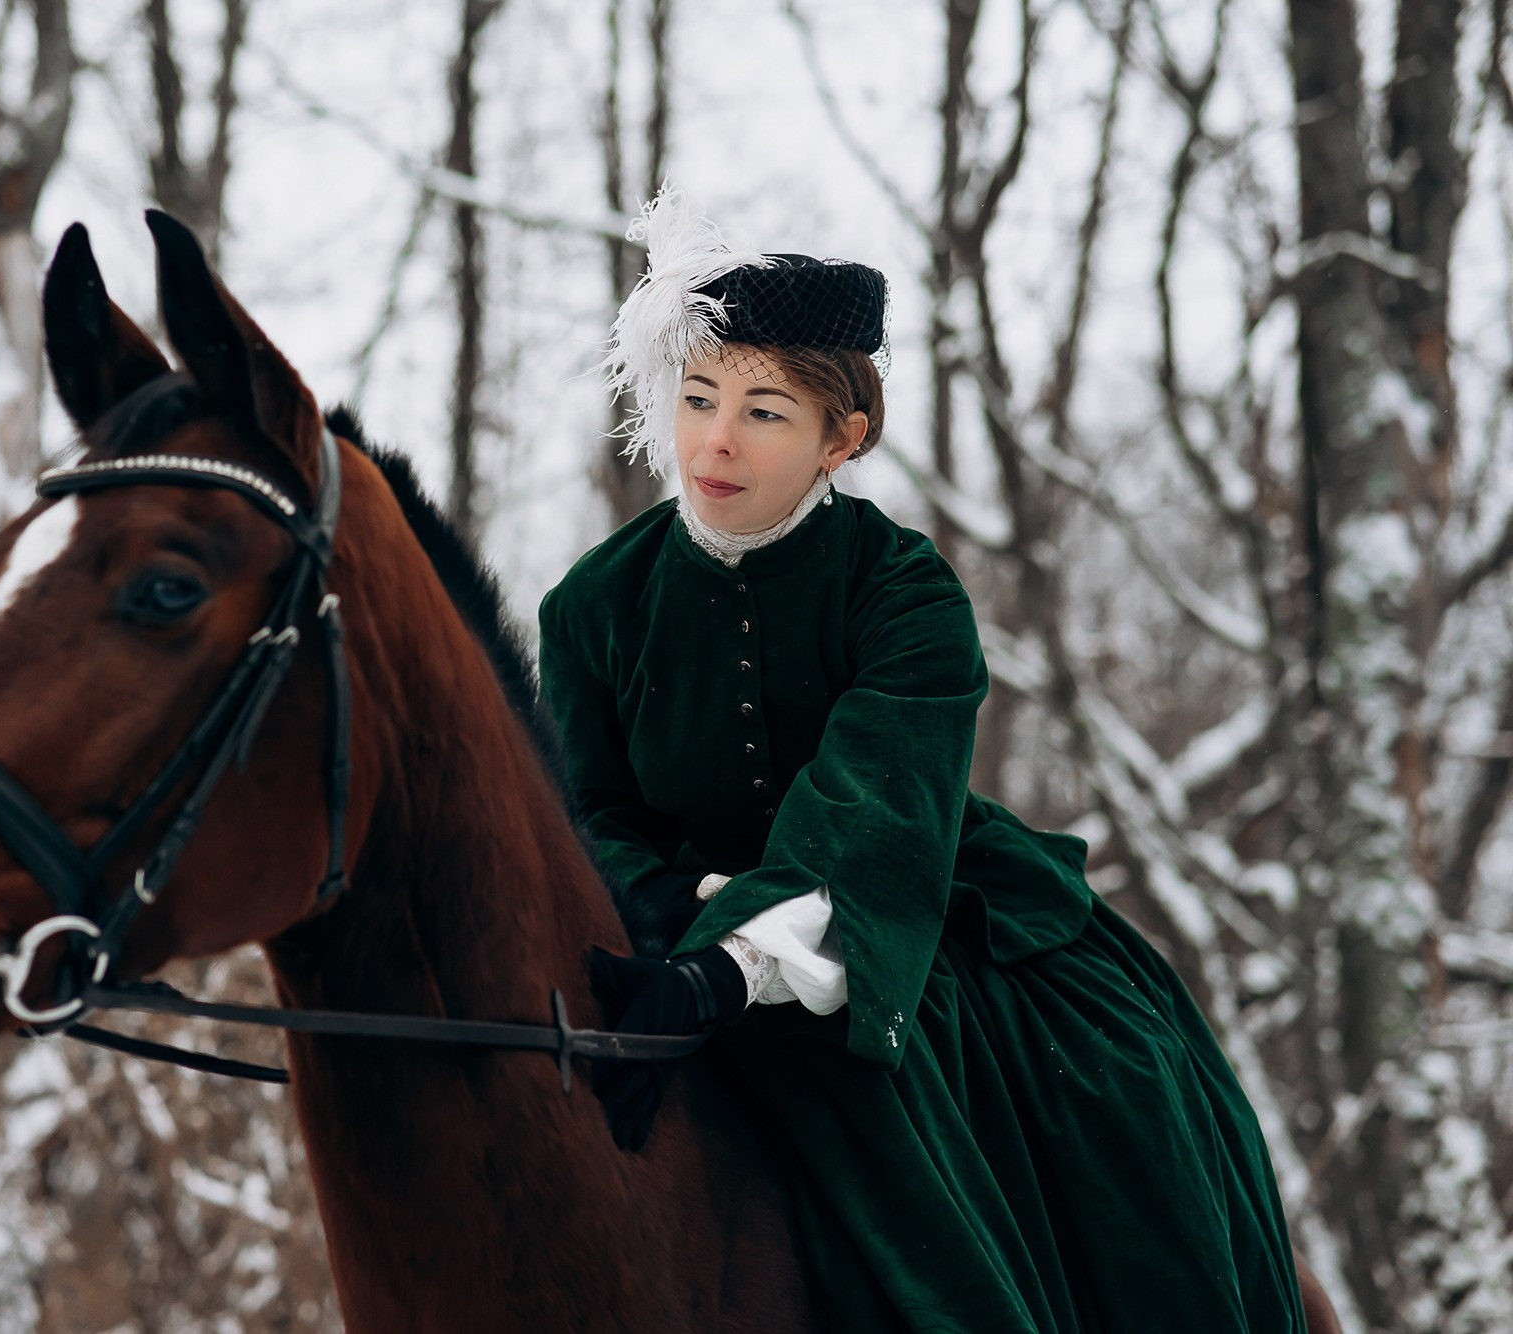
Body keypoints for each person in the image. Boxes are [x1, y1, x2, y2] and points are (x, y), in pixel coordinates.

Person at [538, 189, 1308, 1332]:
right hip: (657, 929)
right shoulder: (593, 602)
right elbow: (584, 800)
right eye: (695, 397)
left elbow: (872, 813)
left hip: (900, 916)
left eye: (762, 409)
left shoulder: (905, 592)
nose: (714, 440)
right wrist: (649, 899)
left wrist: (726, 963)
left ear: (839, 435)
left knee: (1119, 1100)